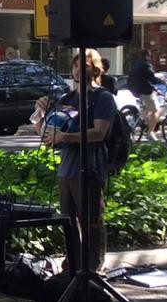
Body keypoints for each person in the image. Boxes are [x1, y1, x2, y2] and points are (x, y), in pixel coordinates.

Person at [33, 48, 117, 274]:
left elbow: (99, 132)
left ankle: (93, 270)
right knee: (68, 221)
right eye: (76, 65)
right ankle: (73, 267)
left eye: (85, 65)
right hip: (66, 169)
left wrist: (65, 137)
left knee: (91, 221)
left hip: (90, 167)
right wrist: (39, 114)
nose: (79, 69)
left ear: (96, 69)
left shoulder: (103, 97)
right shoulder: (67, 98)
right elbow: (46, 134)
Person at [127, 49, 166, 140]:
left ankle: (144, 119)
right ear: (147, 56)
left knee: (148, 106)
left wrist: (153, 88)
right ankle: (150, 132)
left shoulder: (136, 64)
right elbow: (152, 78)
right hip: (144, 90)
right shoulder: (146, 65)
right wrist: (162, 80)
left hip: (134, 89)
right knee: (155, 110)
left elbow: (143, 78)